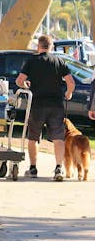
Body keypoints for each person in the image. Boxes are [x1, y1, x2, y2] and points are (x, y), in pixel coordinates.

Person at [15, 35, 75, 181]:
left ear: (38, 46)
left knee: (33, 137)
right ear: (51, 47)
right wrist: (68, 93)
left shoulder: (32, 61)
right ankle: (59, 167)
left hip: (37, 104)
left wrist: (25, 85)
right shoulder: (59, 61)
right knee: (58, 137)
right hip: (56, 105)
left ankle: (33, 168)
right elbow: (71, 82)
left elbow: (19, 81)